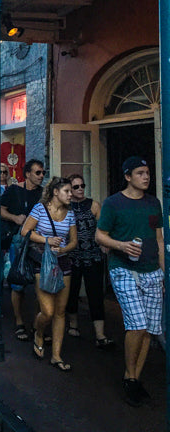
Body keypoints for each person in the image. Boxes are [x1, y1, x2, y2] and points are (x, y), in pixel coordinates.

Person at [95, 156, 164, 407]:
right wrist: (122, 245)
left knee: (149, 329)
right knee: (137, 324)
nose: (146, 177)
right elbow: (100, 236)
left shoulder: (154, 203)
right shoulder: (114, 204)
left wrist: (163, 272)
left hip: (151, 270)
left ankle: (134, 377)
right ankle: (129, 378)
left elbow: (158, 238)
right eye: (140, 173)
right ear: (127, 176)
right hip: (123, 269)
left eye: (147, 172)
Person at [20, 176, 77, 371]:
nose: (71, 195)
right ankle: (39, 332)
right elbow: (25, 231)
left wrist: (64, 249)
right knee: (48, 311)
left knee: (61, 312)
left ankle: (56, 355)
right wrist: (46, 240)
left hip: (63, 262)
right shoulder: (40, 209)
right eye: (67, 191)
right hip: (42, 261)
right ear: (55, 192)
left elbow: (73, 241)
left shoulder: (70, 214)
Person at [64, 173, 113, 348]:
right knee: (72, 292)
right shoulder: (66, 207)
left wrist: (104, 244)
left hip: (92, 255)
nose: (80, 189)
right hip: (72, 255)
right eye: (75, 186)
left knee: (95, 294)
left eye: (82, 185)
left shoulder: (93, 205)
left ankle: (100, 334)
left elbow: (103, 228)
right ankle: (73, 324)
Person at [1, 159, 45, 341]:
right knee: (18, 281)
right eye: (37, 172)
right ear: (27, 174)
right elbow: (0, 210)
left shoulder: (44, 194)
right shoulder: (14, 191)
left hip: (39, 243)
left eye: (43, 172)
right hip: (18, 241)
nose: (41, 176)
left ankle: (36, 323)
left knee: (39, 284)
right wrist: (14, 218)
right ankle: (19, 321)